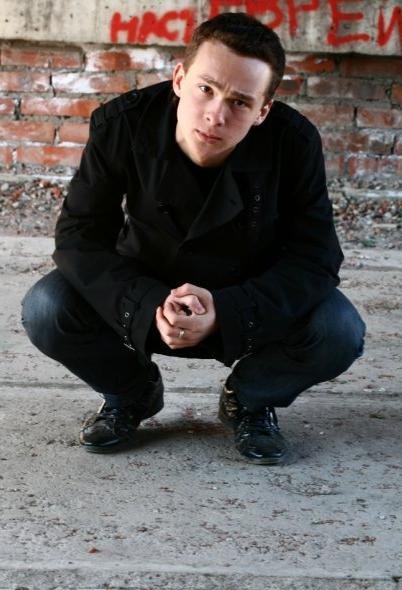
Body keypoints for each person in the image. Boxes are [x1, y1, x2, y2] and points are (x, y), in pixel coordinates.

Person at [21, 12, 366, 464]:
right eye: (206, 88)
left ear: (262, 111)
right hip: (145, 286)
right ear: (180, 79)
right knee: (46, 307)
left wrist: (227, 310)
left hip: (245, 298)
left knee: (340, 329)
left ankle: (250, 398)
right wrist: (148, 303)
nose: (216, 115)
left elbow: (316, 257)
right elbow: (79, 236)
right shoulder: (122, 124)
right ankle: (132, 391)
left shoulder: (293, 142)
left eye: (240, 102)